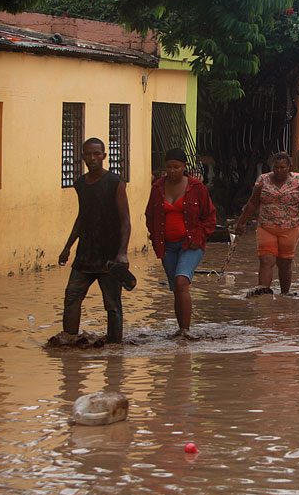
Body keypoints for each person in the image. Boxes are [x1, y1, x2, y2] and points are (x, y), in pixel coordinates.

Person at [58, 138, 131, 344]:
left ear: (104, 156)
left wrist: (123, 251)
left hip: (110, 256)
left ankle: (115, 349)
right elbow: (82, 217)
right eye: (88, 154)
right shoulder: (80, 184)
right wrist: (67, 248)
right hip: (85, 255)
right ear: (82, 156)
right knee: (72, 297)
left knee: (112, 304)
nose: (92, 158)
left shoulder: (115, 183)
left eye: (96, 154)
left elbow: (125, 221)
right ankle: (69, 341)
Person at [145, 148, 217, 334]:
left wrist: (199, 238)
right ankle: (180, 329)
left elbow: (210, 218)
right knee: (176, 289)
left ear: (184, 167)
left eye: (176, 167)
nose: (172, 171)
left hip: (190, 244)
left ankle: (185, 330)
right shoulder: (157, 188)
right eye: (168, 167)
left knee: (181, 282)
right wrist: (155, 240)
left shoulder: (196, 188)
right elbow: (150, 216)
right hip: (166, 246)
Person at [236, 152, 299, 294]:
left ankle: (284, 296)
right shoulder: (263, 180)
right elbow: (253, 203)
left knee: (284, 264)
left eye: (282, 167)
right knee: (266, 260)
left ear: (289, 168)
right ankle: (263, 295)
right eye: (276, 167)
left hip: (290, 228)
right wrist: (241, 222)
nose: (279, 171)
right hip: (266, 227)